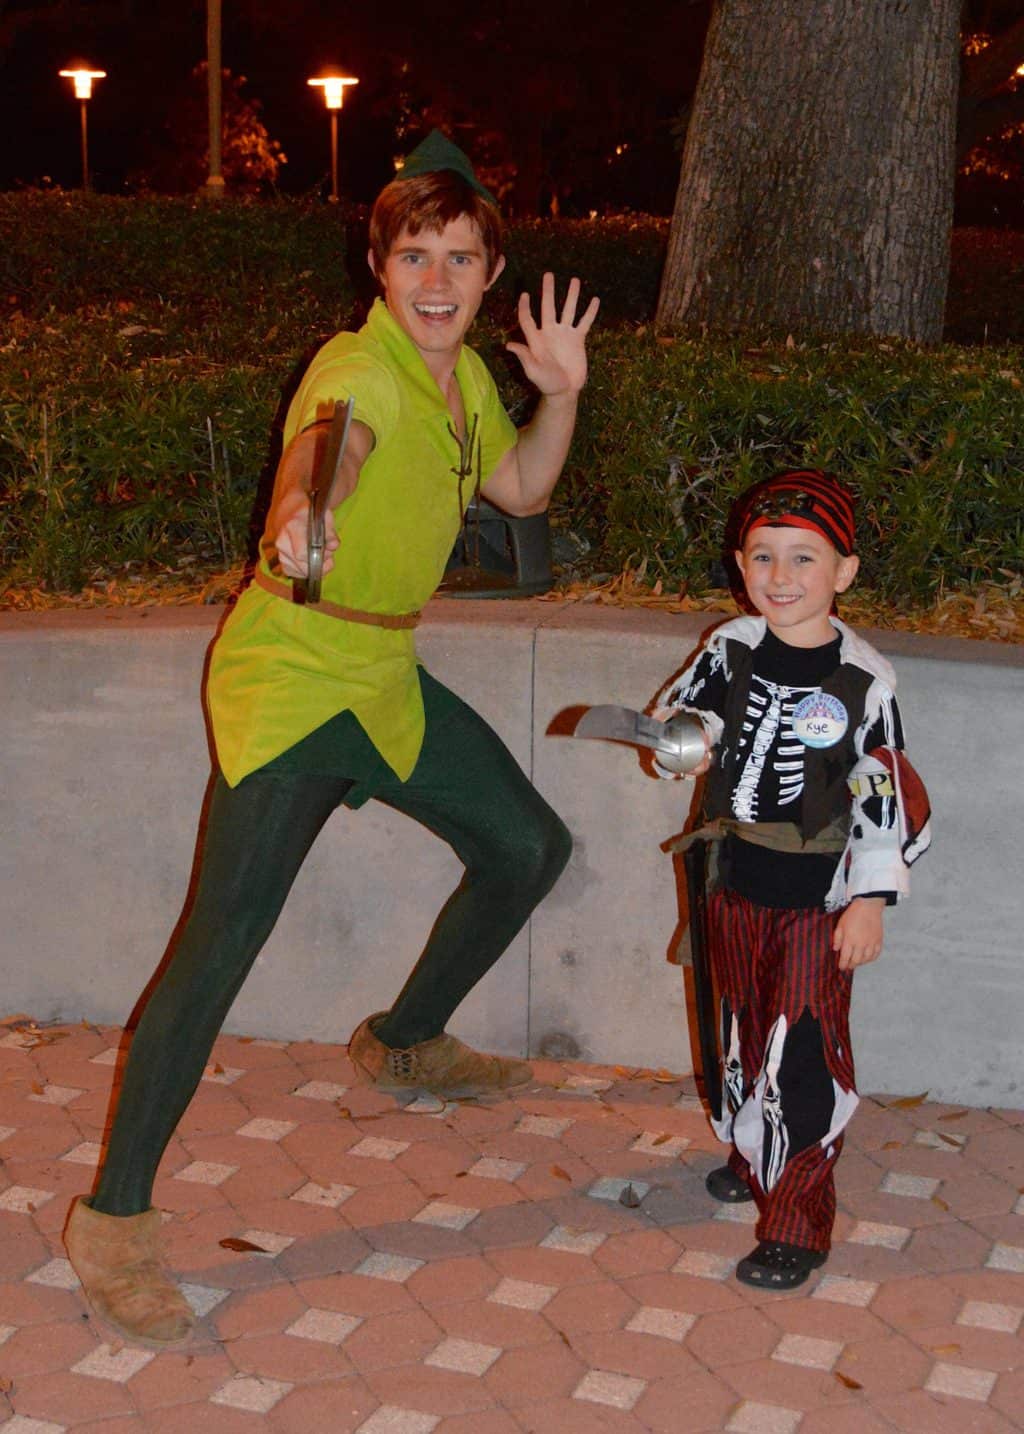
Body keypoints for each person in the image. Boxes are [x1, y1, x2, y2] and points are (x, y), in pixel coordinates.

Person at [64, 130, 599, 1346]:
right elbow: (333, 444)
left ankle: (404, 1044)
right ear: (376, 262)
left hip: (384, 671)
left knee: (524, 845)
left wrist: (558, 397)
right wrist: (307, 508)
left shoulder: (460, 374)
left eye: (461, 258)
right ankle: (113, 1220)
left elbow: (516, 490)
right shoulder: (351, 368)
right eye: (415, 254)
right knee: (218, 949)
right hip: (298, 680)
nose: (437, 281)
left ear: (490, 270)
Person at [654, 470, 930, 1290]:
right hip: (731, 879)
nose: (781, 577)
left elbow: (885, 790)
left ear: (843, 572)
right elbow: (690, 713)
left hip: (818, 899)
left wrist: (872, 900)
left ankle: (798, 1221)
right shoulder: (729, 644)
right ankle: (752, 1154)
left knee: (802, 1051)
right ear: (741, 564)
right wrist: (680, 740)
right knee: (738, 1034)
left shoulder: (863, 678)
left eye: (804, 559)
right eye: (764, 556)